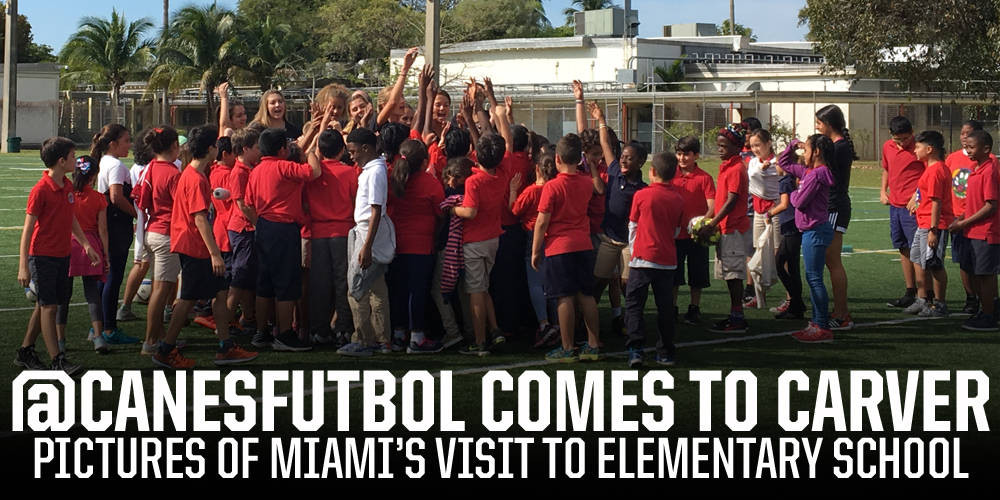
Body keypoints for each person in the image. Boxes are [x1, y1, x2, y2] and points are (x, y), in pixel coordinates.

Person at [154, 125, 258, 369]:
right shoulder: (195, 178)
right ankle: (165, 350)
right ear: (211, 148)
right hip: (194, 247)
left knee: (220, 295)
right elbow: (199, 217)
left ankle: (226, 346)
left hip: (195, 246)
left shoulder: (194, 174)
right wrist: (214, 254)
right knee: (188, 300)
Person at [14, 137, 98, 374]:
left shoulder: (67, 186)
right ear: (61, 161)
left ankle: (25, 351)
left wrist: (85, 244)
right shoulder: (41, 190)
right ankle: (57, 360)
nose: (76, 160)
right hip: (43, 257)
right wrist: (24, 265)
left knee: (45, 306)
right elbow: (28, 228)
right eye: (73, 157)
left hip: (62, 255)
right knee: (50, 307)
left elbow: (70, 218)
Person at [245, 127, 323, 351]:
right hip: (284, 228)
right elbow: (314, 172)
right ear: (281, 149)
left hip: (264, 226)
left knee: (264, 284)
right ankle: (286, 334)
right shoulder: (284, 166)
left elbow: (248, 203)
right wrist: (308, 152)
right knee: (286, 283)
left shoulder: (257, 170)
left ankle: (262, 332)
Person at [532, 133, 602, 362]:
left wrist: (535, 251)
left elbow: (542, 222)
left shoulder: (552, 187)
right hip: (583, 244)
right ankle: (593, 344)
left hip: (559, 247)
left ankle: (567, 346)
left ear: (558, 159)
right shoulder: (585, 182)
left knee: (564, 298)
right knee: (586, 295)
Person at [588, 102, 648, 335]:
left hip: (629, 242)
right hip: (608, 239)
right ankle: (589, 322)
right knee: (599, 281)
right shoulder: (613, 171)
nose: (623, 161)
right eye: (622, 157)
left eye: (629, 159)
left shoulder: (642, 189)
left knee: (627, 284)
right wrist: (601, 119)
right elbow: (605, 144)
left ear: (640, 162)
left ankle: (631, 320)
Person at [625, 152, 685, 367]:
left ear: (652, 172)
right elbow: (677, 230)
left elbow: (632, 225)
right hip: (667, 260)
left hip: (642, 259)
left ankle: (635, 350)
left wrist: (635, 250)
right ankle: (666, 352)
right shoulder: (678, 198)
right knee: (666, 307)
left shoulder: (641, 195)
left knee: (634, 305)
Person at [338, 127, 394, 356]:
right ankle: (382, 340)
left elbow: (376, 210)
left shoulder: (374, 172)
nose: (351, 156)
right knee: (376, 288)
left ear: (365, 148)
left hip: (368, 233)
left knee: (356, 288)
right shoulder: (373, 169)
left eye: (353, 152)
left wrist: (367, 246)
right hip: (368, 232)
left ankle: (363, 340)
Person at [387, 139, 445, 353]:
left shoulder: (392, 178)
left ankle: (399, 334)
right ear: (423, 162)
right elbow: (441, 212)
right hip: (421, 245)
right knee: (417, 291)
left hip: (396, 244)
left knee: (399, 290)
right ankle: (417, 337)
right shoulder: (430, 183)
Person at [453, 133, 509, 356]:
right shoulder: (502, 173)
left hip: (474, 241)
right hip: (493, 238)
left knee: (475, 291)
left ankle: (479, 341)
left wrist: (452, 209)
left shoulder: (473, 181)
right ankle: (494, 330)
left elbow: (470, 211)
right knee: (483, 287)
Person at [778, 135, 836, 343]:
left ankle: (821, 326)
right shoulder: (809, 172)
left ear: (817, 152)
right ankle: (817, 322)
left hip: (815, 230)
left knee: (814, 278)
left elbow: (800, 202)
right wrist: (792, 145)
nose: (804, 153)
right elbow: (784, 163)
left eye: (807, 149)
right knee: (813, 278)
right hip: (812, 230)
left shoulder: (815, 175)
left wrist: (793, 191)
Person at [306, 129, 357, 347]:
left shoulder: (313, 172)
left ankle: (319, 329)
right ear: (342, 149)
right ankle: (343, 329)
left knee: (320, 284)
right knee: (342, 282)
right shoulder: (349, 173)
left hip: (318, 232)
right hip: (343, 231)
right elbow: (356, 201)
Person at [697, 124, 751, 333]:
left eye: (724, 146)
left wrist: (711, 223)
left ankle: (738, 318)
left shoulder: (737, 168)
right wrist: (708, 218)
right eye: (719, 145)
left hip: (733, 229)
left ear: (736, 147)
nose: (720, 149)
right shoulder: (727, 165)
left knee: (734, 275)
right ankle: (734, 314)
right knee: (728, 274)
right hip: (725, 227)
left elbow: (731, 201)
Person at [135, 127, 183, 355]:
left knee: (158, 286)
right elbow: (182, 206)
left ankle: (158, 336)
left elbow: (139, 196)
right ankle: (150, 341)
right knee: (161, 291)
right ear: (173, 145)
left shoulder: (151, 167)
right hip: (165, 233)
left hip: (151, 230)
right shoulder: (172, 172)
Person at [56, 155, 110, 354]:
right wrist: (106, 255)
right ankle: (98, 336)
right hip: (90, 247)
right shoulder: (97, 197)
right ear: (94, 175)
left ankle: (60, 341)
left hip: (68, 245)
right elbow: (103, 230)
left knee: (63, 295)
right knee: (92, 293)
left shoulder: (66, 193)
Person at [93, 123, 141, 344]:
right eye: (126, 141)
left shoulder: (103, 161)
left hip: (106, 224)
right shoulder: (117, 166)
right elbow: (116, 197)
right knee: (113, 277)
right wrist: (137, 215)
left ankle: (98, 327)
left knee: (105, 276)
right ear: (113, 144)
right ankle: (109, 329)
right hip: (115, 226)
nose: (129, 145)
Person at [948, 129, 1000, 331]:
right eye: (966, 147)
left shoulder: (989, 171)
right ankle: (988, 310)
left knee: (985, 276)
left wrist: (964, 222)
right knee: (979, 274)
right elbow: (974, 203)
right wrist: (961, 218)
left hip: (985, 232)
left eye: (971, 147)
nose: (967, 151)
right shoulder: (977, 169)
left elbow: (990, 205)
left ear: (986, 149)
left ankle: (988, 316)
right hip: (972, 230)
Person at [513, 144, 560, 348]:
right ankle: (558, 323)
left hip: (533, 236)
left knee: (535, 282)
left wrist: (513, 190)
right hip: (552, 236)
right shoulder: (556, 189)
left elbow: (514, 210)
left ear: (538, 169)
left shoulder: (531, 191)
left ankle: (544, 323)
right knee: (551, 281)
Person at [815, 104, 856, 329]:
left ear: (829, 125)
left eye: (819, 124)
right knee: (829, 262)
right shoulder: (836, 146)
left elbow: (825, 176)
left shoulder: (838, 148)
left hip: (834, 209)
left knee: (833, 262)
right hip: (830, 207)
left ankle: (842, 314)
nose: (817, 127)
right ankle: (838, 310)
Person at [906, 130, 954, 317]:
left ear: (930, 149)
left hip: (934, 224)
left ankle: (940, 304)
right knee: (918, 259)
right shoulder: (930, 168)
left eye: (918, 147)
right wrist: (915, 199)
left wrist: (934, 230)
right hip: (924, 222)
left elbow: (937, 202)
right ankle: (922, 299)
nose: (915, 151)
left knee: (935, 264)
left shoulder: (936, 170)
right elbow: (924, 192)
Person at [431, 157, 476, 350]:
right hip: (467, 246)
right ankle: (471, 331)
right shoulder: (471, 193)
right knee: (465, 291)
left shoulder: (451, 195)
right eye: (449, 176)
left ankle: (453, 331)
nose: (451, 182)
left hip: (450, 248)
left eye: (456, 177)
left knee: (439, 289)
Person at [945, 120, 989, 315]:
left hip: (980, 224)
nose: (964, 137)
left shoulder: (988, 165)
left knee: (983, 268)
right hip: (959, 219)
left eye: (969, 134)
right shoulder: (953, 158)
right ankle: (972, 299)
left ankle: (988, 306)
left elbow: (991, 203)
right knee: (964, 261)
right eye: (962, 134)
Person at [882, 116, 926, 309]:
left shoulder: (920, 148)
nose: (901, 144)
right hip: (895, 206)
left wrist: (917, 197)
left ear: (912, 134)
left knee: (918, 251)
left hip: (912, 208)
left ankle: (925, 295)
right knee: (902, 248)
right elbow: (886, 169)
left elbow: (929, 173)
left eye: (905, 139)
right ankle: (910, 291)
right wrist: (883, 190)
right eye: (897, 140)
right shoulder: (887, 147)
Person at [671, 136, 715, 324]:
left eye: (686, 155)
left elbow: (712, 206)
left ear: (696, 155)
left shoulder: (704, 178)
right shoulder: (670, 175)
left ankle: (694, 307)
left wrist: (702, 224)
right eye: (679, 154)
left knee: (697, 274)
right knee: (674, 274)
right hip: (674, 234)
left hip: (697, 236)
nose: (682, 158)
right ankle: (671, 308)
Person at [227, 127, 262, 337]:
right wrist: (259, 223)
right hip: (243, 228)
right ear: (245, 148)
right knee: (240, 275)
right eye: (256, 147)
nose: (259, 151)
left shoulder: (249, 168)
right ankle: (226, 320)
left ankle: (247, 317)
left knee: (247, 276)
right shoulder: (239, 171)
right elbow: (241, 203)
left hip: (247, 227)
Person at [117, 129, 155, 322]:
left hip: (144, 222)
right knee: (156, 267)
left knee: (143, 263)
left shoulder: (135, 168)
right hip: (155, 223)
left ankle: (125, 306)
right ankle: (166, 309)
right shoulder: (155, 167)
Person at [745, 128, 781, 308]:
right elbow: (753, 173)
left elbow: (785, 177)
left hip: (775, 210)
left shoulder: (778, 162)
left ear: (768, 143)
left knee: (778, 254)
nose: (755, 149)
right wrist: (761, 166)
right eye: (752, 146)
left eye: (758, 145)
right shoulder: (752, 162)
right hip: (759, 212)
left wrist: (774, 167)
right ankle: (760, 298)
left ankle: (790, 297)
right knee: (758, 252)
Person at [770, 162, 806, 320]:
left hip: (791, 228)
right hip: (793, 227)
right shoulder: (794, 179)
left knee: (781, 264)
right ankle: (796, 305)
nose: (775, 166)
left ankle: (796, 303)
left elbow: (784, 205)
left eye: (777, 164)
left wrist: (770, 213)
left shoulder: (785, 181)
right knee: (791, 267)